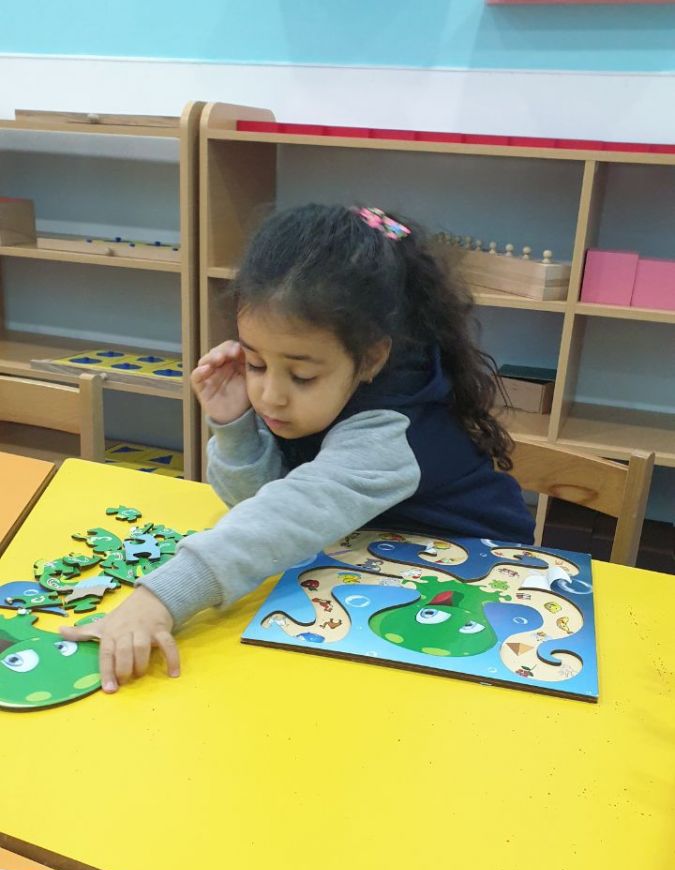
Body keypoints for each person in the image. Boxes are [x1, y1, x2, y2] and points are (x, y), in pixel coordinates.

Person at [62, 204, 534, 691]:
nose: (270, 395)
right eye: (255, 363)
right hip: (374, 561)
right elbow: (259, 502)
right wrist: (235, 427)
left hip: (485, 584)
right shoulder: (318, 384)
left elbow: (288, 515)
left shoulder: (389, 432)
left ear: (372, 358)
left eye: (302, 375)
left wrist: (161, 597)